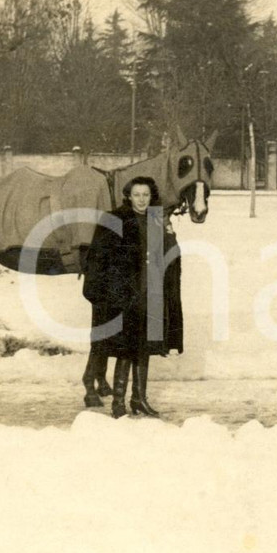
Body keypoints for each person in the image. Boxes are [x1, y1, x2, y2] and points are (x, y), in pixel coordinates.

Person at [82, 176, 183, 418]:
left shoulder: (157, 219)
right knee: (126, 348)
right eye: (137, 195)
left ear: (151, 196)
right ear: (128, 195)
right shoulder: (114, 219)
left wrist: (170, 237)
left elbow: (169, 254)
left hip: (151, 293)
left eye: (146, 195)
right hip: (125, 296)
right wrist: (107, 292)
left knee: (145, 349)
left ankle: (139, 399)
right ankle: (118, 401)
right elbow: (98, 258)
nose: (141, 200)